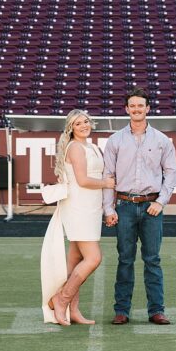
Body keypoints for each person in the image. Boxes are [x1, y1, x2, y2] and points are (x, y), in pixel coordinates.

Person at [103, 87, 176, 325]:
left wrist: (161, 201)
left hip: (151, 207)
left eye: (140, 105)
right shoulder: (115, 140)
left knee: (152, 259)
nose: (136, 109)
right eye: (132, 106)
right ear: (126, 109)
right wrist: (108, 208)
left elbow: (171, 173)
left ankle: (156, 310)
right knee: (125, 259)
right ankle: (122, 311)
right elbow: (108, 176)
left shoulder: (162, 140)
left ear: (148, 109)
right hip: (124, 205)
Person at [41, 109, 116, 326]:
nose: (84, 125)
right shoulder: (74, 147)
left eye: (85, 121)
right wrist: (106, 184)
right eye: (77, 123)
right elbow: (83, 180)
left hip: (91, 207)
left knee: (74, 260)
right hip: (78, 207)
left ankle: (73, 310)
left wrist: (106, 205)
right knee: (93, 258)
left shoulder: (91, 146)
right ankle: (60, 299)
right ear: (71, 128)